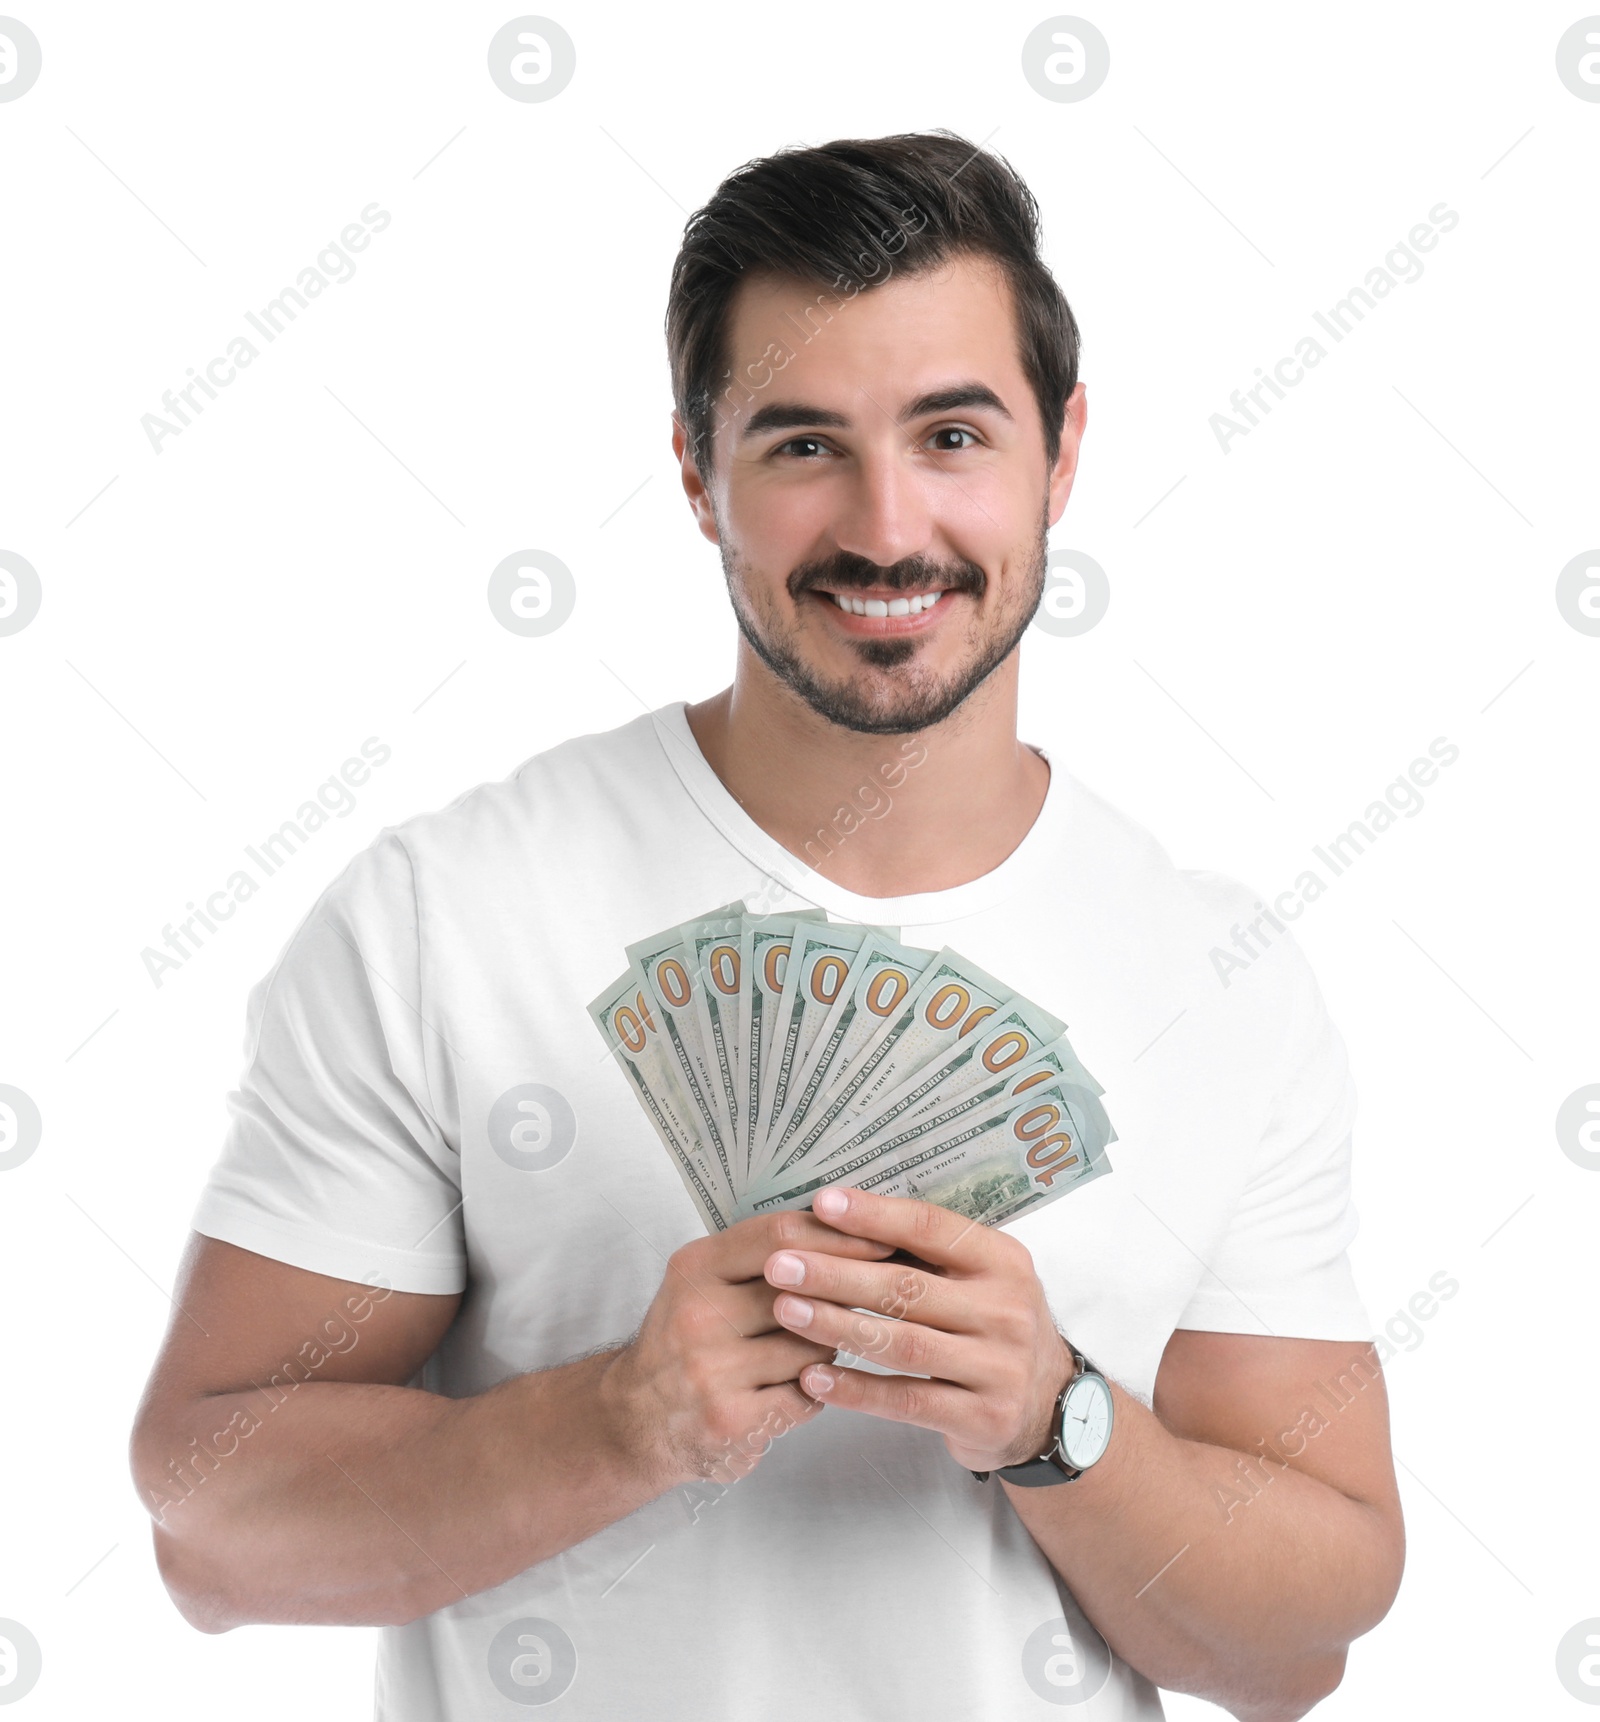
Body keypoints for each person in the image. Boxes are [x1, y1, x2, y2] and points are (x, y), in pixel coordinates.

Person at [131, 130, 1403, 1720]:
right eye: (804, 444)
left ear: (1062, 453)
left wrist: (1058, 1418)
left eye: (953, 432)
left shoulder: (1222, 978)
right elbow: (207, 1527)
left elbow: (1302, 1648)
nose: (887, 526)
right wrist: (621, 1419)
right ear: (693, 469)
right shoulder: (447, 916)